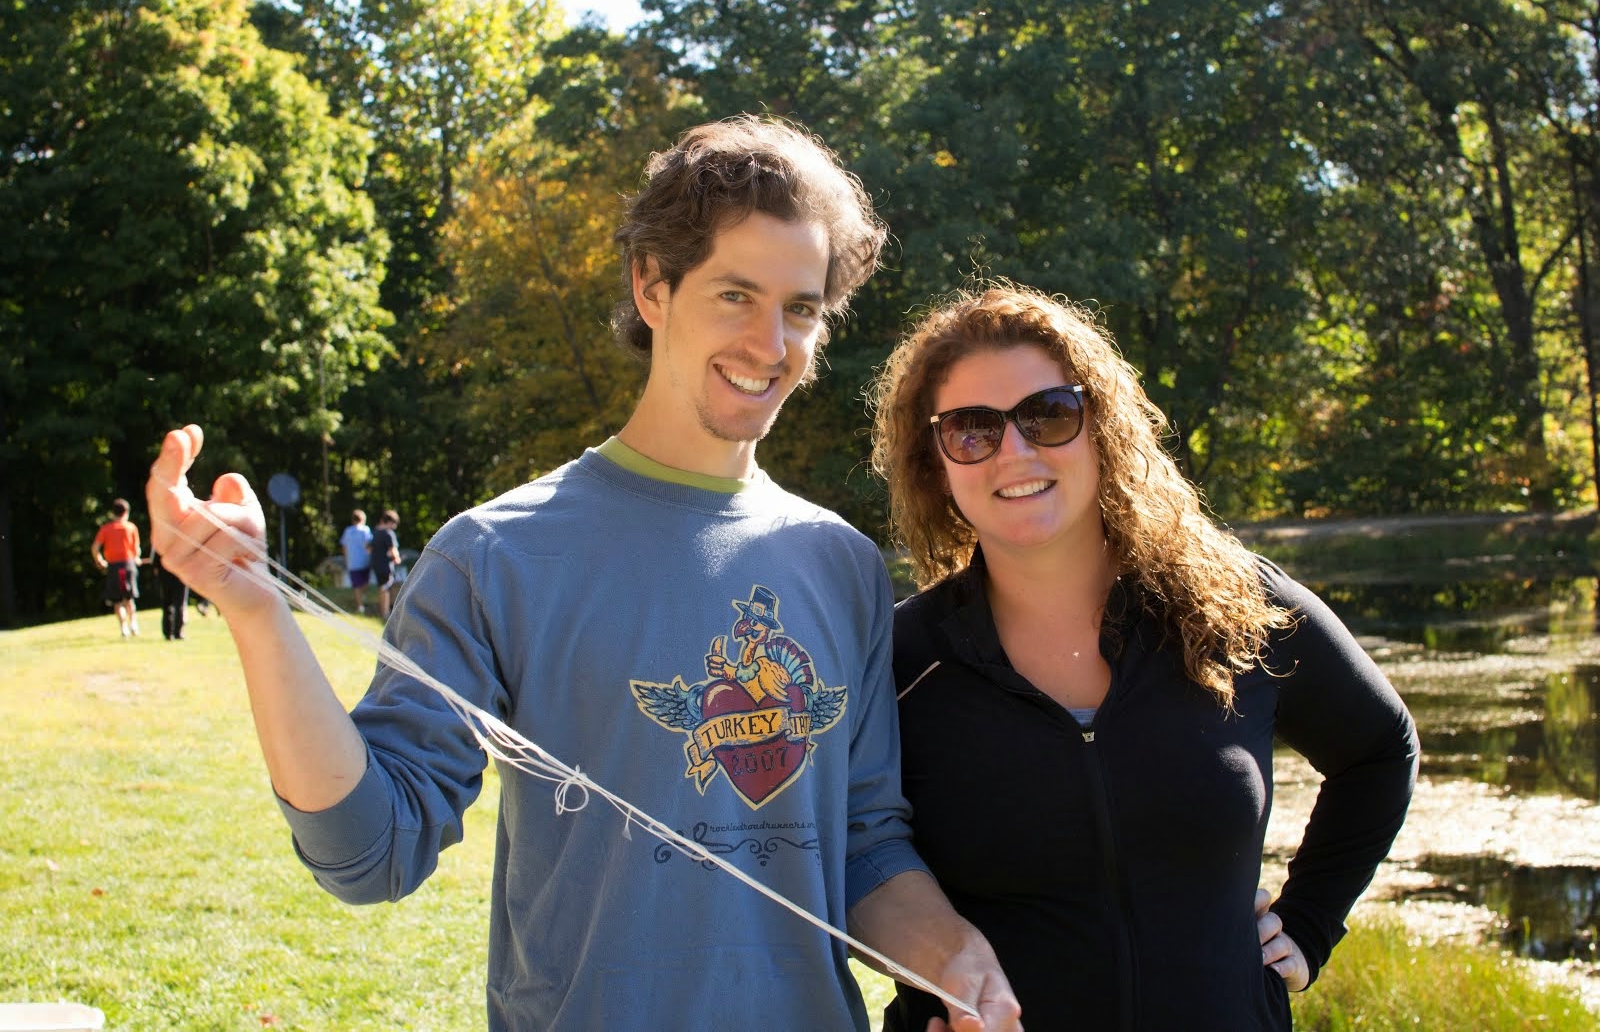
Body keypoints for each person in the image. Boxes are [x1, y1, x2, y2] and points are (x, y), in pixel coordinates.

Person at [147, 116, 1020, 1032]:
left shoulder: (841, 563)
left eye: (800, 309)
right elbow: (371, 852)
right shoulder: (495, 555)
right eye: (735, 294)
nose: (771, 343)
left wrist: (956, 957)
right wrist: (260, 615)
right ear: (652, 285)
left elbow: (865, 845)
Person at [869, 285, 1419, 1031]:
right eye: (972, 430)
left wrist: (1311, 921)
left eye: (1049, 414)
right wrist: (932, 984)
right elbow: (847, 852)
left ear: (1103, 428)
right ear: (935, 463)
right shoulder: (901, 661)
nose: (1016, 451)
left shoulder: (1231, 606)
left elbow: (1381, 750)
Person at [92, 498, 147, 637]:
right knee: (129, 598)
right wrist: (136, 558)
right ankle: (133, 624)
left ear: (113, 513)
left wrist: (100, 561)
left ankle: (123, 628)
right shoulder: (131, 527)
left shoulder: (106, 529)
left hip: (113, 567)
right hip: (128, 565)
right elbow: (137, 550)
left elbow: (95, 548)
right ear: (126, 512)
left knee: (117, 600)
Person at [366, 509, 401, 619]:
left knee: (381, 587)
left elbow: (368, 548)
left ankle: (384, 611)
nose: (395, 526)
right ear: (390, 522)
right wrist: (397, 559)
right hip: (386, 566)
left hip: (376, 565)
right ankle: (386, 612)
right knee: (386, 588)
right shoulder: (389, 534)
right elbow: (393, 551)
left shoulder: (375, 533)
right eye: (394, 523)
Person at [339, 509, 373, 614]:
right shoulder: (366, 530)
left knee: (356, 585)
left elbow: (344, 546)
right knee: (365, 582)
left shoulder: (347, 531)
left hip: (352, 562)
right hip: (365, 561)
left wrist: (346, 558)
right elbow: (369, 545)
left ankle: (360, 605)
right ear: (362, 519)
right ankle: (360, 601)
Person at [153, 550, 189, 640]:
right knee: (179, 604)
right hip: (179, 574)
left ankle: (168, 632)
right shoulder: (182, 543)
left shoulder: (162, 543)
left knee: (167, 604)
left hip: (166, 574)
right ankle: (178, 632)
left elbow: (156, 563)